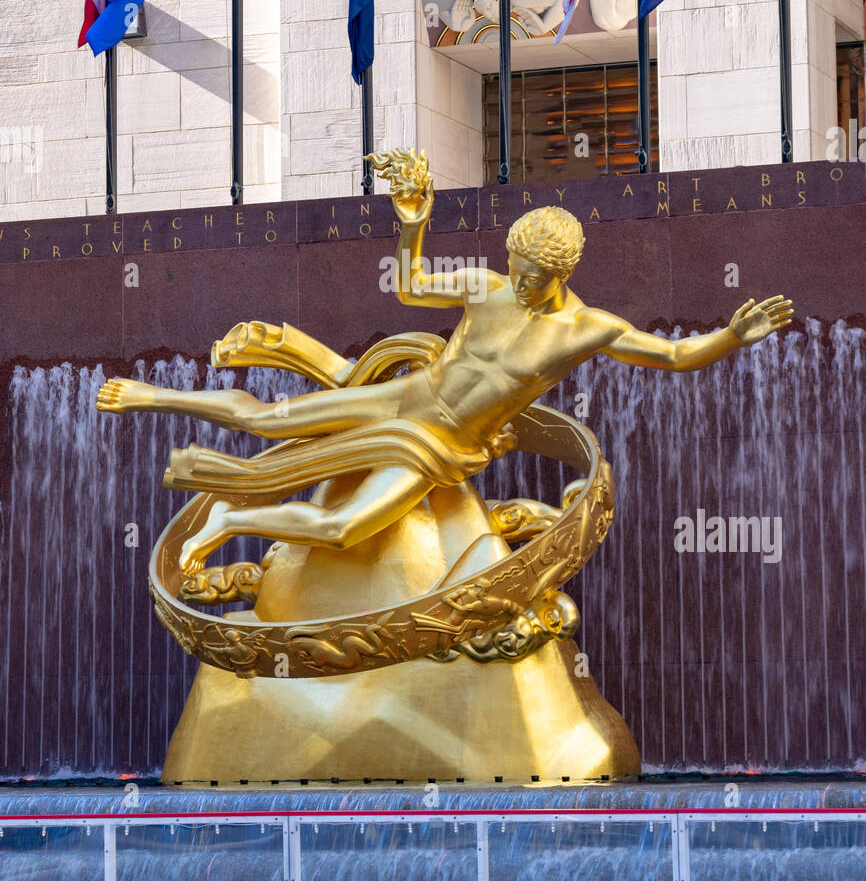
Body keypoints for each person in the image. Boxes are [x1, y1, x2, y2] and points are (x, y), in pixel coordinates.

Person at [96, 149, 793, 569]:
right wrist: (413, 224)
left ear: (563, 270)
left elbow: (671, 356)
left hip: (439, 447)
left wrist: (730, 337)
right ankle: (153, 396)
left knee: (342, 528)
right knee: (272, 419)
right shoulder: (486, 288)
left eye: (531, 274)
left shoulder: (588, 329)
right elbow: (409, 285)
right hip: (408, 398)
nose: (517, 280)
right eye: (515, 265)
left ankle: (229, 520)